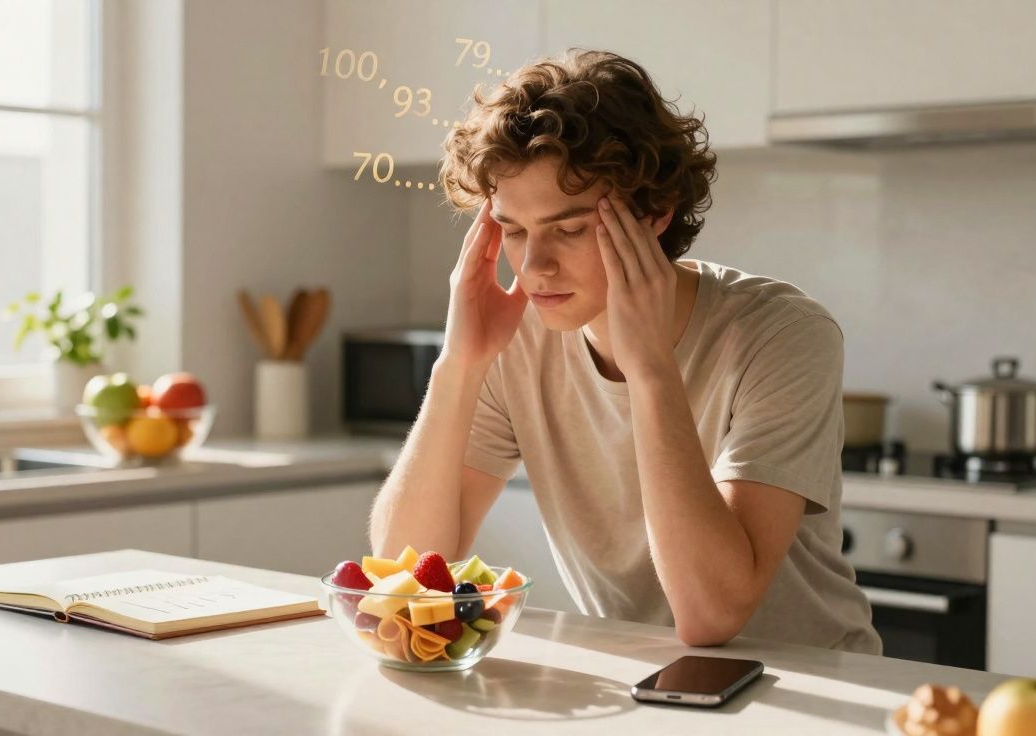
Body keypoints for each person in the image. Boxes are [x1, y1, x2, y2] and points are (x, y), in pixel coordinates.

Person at [368, 49, 881, 654]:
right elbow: (407, 570)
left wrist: (651, 370)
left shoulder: (782, 334)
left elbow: (712, 615)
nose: (534, 268)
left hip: (810, 689)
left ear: (655, 213)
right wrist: (460, 363)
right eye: (513, 231)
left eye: (570, 228)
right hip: (643, 687)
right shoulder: (518, 338)